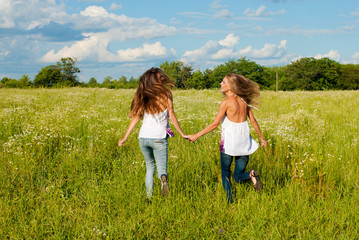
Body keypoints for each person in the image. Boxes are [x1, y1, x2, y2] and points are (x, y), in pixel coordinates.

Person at [188, 73, 267, 203]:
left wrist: (196, 135)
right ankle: (251, 174)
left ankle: (230, 201)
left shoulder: (226, 103)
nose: (221, 84)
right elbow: (253, 121)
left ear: (231, 86)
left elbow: (214, 124)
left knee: (226, 173)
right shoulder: (244, 101)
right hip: (245, 142)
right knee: (238, 176)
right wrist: (261, 138)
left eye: (224, 82)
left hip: (229, 143)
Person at [118, 67, 187, 202]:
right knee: (161, 168)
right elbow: (171, 115)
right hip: (159, 137)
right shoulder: (166, 94)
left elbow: (136, 117)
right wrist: (182, 133)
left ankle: (149, 197)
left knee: (149, 167)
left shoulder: (144, 94)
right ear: (158, 80)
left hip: (143, 137)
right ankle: (163, 178)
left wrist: (125, 137)